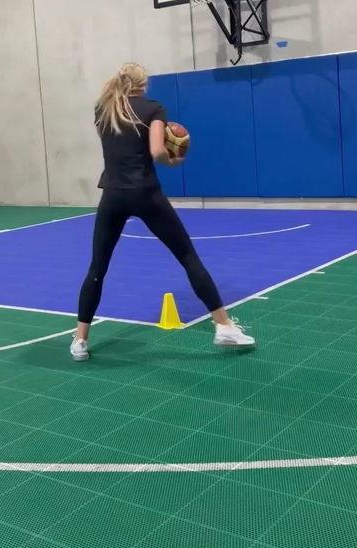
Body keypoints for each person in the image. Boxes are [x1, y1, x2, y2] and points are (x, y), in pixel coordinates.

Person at [71, 62, 255, 361]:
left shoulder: (103, 110)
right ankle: (224, 327)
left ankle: (80, 340)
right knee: (187, 256)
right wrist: (173, 159)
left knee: (97, 268)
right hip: (146, 193)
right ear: (144, 84)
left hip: (113, 195)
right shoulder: (153, 108)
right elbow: (157, 151)